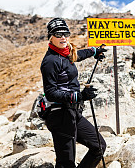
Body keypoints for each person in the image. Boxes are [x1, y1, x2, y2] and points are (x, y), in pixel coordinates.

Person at [41, 17, 107, 168]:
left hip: (72, 112)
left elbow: (78, 55)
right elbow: (50, 92)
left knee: (99, 147)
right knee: (66, 163)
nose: (63, 37)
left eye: (65, 33)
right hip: (59, 115)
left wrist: (94, 51)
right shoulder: (50, 61)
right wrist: (80, 96)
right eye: (58, 34)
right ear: (51, 37)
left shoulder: (65, 53)